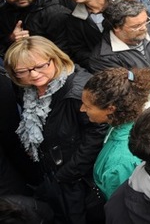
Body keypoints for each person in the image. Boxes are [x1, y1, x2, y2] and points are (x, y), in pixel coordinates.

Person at [4, 36, 106, 224]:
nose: (33, 75)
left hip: (81, 179)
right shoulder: (27, 90)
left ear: (56, 58)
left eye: (40, 66)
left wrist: (68, 172)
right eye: (23, 71)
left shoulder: (79, 91)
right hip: (55, 176)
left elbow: (98, 133)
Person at [80, 67, 150, 199]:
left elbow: (120, 202)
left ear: (110, 109)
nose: (82, 109)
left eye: (88, 106)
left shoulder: (119, 162)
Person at [87, 0, 150, 95]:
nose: (144, 28)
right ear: (116, 27)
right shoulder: (102, 58)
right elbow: (124, 91)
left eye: (146, 21)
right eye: (136, 26)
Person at [0, 0, 71, 57]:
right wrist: (10, 39)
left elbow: (64, 53)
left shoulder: (56, 14)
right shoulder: (4, 12)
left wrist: (31, 45)